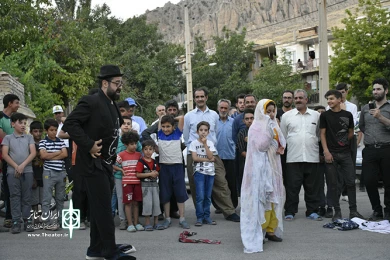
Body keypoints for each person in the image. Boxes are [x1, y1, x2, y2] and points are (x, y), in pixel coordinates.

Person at [62, 65, 136, 260]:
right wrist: (88, 145)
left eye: (121, 83)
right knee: (103, 209)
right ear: (105, 83)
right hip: (91, 165)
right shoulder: (92, 101)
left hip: (105, 164)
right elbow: (70, 124)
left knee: (98, 210)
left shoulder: (111, 104)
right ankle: (109, 251)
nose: (120, 87)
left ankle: (96, 248)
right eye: (116, 83)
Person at [184, 88, 240, 222]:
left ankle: (229, 212)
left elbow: (214, 134)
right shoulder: (189, 116)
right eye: (197, 97)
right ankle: (201, 215)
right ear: (195, 99)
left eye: (202, 96)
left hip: (212, 154)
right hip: (195, 154)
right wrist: (195, 150)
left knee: (221, 182)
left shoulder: (214, 115)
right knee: (196, 186)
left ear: (206, 98)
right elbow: (186, 137)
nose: (199, 99)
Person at [240, 99, 286, 253]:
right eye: (268, 111)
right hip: (261, 169)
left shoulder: (273, 124)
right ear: (261, 112)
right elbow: (260, 146)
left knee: (275, 198)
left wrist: (280, 145)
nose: (271, 114)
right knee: (264, 198)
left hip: (274, 166)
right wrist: (269, 135)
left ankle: (272, 230)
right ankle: (262, 230)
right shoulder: (256, 127)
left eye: (273, 111)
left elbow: (282, 141)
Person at [320, 90, 364, 221]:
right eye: (328, 99)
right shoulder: (325, 116)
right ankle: (337, 212)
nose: (329, 101)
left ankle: (353, 211)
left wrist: (342, 141)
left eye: (332, 98)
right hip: (331, 154)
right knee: (333, 184)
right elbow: (322, 134)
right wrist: (326, 152)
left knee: (350, 182)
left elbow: (351, 133)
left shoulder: (348, 115)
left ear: (340, 100)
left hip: (345, 154)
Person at [280, 89, 322, 221]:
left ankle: (312, 211)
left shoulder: (316, 115)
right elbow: (283, 136)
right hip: (293, 157)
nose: (298, 100)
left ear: (306, 100)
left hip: (312, 156)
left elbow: (319, 135)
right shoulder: (287, 116)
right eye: (296, 98)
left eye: (300, 98)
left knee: (312, 187)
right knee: (292, 187)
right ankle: (290, 211)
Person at [141, 99, 181, 219]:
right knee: (164, 186)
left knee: (176, 186)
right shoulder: (160, 123)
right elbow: (145, 133)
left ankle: (174, 210)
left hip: (177, 156)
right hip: (164, 157)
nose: (172, 112)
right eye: (169, 110)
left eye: (174, 110)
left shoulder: (178, 122)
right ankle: (163, 211)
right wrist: (155, 147)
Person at [359, 78, 390, 221]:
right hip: (370, 149)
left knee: (388, 182)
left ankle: (388, 210)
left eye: (378, 89)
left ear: (386, 91)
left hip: (387, 149)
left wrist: (380, 117)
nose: (375, 92)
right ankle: (376, 210)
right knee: (369, 180)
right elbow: (362, 126)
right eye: (374, 89)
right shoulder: (366, 108)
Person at [1, 112, 36, 234]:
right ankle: (16, 221)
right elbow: (5, 154)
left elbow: (33, 153)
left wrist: (22, 166)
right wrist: (16, 166)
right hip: (12, 172)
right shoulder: (8, 138)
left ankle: (27, 220)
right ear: (13, 123)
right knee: (14, 196)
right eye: (20, 123)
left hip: (27, 171)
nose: (23, 126)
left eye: (25, 123)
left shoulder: (29, 138)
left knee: (27, 197)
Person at [326, 83, 359, 203]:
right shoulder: (328, 106)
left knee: (349, 167)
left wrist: (343, 113)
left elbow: (353, 125)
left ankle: (347, 192)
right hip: (334, 140)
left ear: (346, 92)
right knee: (335, 170)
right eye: (338, 92)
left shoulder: (352, 107)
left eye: (343, 92)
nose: (341, 94)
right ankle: (335, 196)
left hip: (349, 139)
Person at [158, 114, 190, 229]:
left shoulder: (177, 133)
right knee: (165, 193)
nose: (165, 129)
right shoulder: (160, 134)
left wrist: (171, 118)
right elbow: (161, 120)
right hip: (164, 167)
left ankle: (182, 218)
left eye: (168, 126)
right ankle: (167, 218)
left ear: (173, 127)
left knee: (180, 192)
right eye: (163, 126)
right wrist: (163, 119)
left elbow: (181, 118)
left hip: (177, 167)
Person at [113, 116, 141, 230]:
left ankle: (135, 221)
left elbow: (139, 154)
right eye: (123, 123)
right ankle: (123, 220)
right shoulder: (115, 140)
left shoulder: (136, 142)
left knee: (134, 200)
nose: (126, 125)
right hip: (120, 176)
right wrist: (119, 169)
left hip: (133, 176)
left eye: (128, 123)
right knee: (121, 198)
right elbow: (113, 160)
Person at [39, 119, 68, 230]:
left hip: (61, 172)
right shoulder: (43, 142)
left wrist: (50, 154)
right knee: (46, 198)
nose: (54, 132)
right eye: (51, 130)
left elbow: (65, 154)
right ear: (46, 130)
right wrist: (57, 153)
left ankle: (60, 220)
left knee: (60, 198)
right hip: (49, 173)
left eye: (55, 130)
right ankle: (47, 221)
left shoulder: (60, 141)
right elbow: (43, 156)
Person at [189, 121, 217, 226]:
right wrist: (209, 160)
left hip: (210, 173)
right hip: (199, 172)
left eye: (205, 130)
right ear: (197, 132)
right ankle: (199, 217)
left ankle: (207, 216)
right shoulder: (193, 144)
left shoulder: (210, 144)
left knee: (208, 196)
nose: (203, 132)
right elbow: (195, 158)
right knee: (200, 196)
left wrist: (205, 144)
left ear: (208, 132)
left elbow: (211, 156)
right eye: (201, 130)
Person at [0, 94, 20, 230]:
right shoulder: (1, 117)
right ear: (9, 104)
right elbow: (3, 137)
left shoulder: (14, 119)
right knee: (6, 188)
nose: (18, 105)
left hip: (13, 157)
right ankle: (8, 217)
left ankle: (12, 216)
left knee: (11, 187)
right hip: (3, 156)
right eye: (17, 103)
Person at [135, 140, 164, 231]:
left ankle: (156, 223)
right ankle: (147, 223)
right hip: (145, 186)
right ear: (142, 150)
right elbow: (138, 174)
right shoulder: (141, 162)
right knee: (147, 204)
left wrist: (156, 173)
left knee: (156, 203)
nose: (148, 151)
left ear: (153, 150)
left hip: (155, 186)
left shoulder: (155, 162)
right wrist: (149, 174)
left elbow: (157, 172)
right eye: (146, 149)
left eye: (150, 149)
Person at [216, 99, 237, 208]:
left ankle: (233, 205)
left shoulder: (233, 123)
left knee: (231, 183)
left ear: (229, 109)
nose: (223, 110)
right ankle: (220, 206)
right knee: (219, 184)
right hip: (217, 158)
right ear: (218, 108)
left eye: (225, 108)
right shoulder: (214, 122)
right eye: (221, 108)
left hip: (230, 157)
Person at [236, 109, 254, 196]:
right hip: (246, 164)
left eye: (252, 118)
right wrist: (253, 158)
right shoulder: (242, 133)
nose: (249, 121)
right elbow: (241, 150)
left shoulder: (261, 131)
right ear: (244, 121)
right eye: (247, 119)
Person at [30, 121, 44, 226]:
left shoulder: (45, 143)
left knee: (42, 198)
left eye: (40, 131)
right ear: (31, 132)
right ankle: (35, 217)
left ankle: (40, 217)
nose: (38, 134)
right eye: (35, 131)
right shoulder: (29, 145)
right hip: (33, 173)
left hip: (44, 174)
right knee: (34, 198)